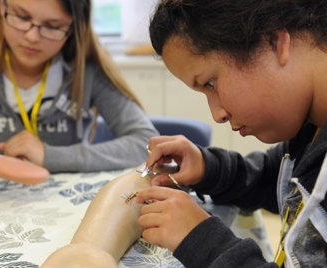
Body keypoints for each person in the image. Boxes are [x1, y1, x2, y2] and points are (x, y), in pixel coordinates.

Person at [134, 0, 327, 267]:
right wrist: (208, 168)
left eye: (210, 83)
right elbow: (275, 179)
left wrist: (202, 241)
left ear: (274, 43)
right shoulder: (312, 129)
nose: (217, 114)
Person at [0, 0, 158, 180]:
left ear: (74, 28)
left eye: (53, 26)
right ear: (2, 7)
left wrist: (51, 156)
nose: (31, 36)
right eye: (21, 16)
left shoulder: (87, 67)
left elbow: (146, 144)